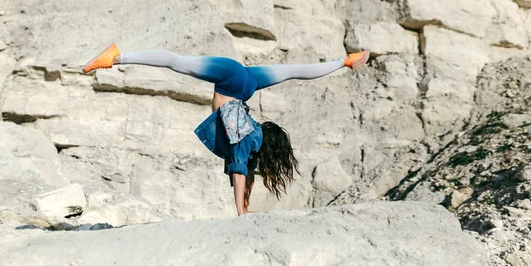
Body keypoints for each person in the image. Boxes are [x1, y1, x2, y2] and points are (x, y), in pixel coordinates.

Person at [83, 44, 369, 215]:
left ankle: (344, 61)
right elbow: (239, 171)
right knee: (177, 63)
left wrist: (244, 206)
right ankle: (116, 57)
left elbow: (244, 171)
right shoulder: (246, 141)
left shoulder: (252, 139)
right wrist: (240, 212)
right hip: (232, 79)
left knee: (292, 70)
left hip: (247, 85)